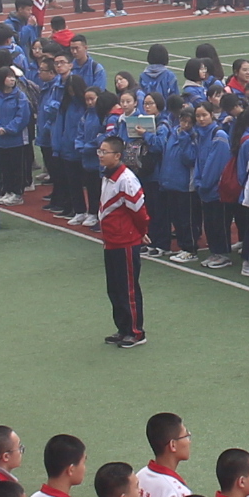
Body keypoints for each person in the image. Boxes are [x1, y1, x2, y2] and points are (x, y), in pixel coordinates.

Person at [95, 136, 149, 348]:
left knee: (128, 289)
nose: (100, 155)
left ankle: (136, 332)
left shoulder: (126, 179)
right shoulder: (107, 176)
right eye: (99, 151)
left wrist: (141, 232)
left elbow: (139, 211)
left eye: (104, 152)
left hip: (125, 241)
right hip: (111, 240)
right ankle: (123, 328)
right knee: (115, 288)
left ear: (117, 156)